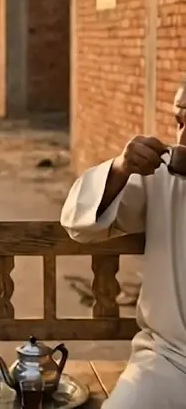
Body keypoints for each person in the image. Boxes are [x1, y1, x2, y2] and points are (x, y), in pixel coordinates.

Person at [60, 81, 186, 409]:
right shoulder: (162, 177)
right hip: (169, 360)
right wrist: (121, 167)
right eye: (181, 122)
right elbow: (77, 223)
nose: (183, 138)